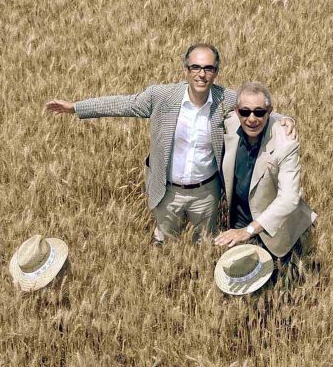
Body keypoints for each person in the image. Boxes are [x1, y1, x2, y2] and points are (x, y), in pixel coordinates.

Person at [44, 44, 296, 244]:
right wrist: (76, 107)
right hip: (167, 191)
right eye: (195, 67)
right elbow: (123, 104)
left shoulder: (225, 98)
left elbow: (255, 108)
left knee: (203, 244)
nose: (202, 74)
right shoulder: (161, 96)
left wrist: (285, 119)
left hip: (206, 193)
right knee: (165, 242)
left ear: (216, 72)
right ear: (185, 70)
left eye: (208, 68)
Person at [214, 81, 316, 268]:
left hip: (274, 230)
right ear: (237, 111)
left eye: (259, 112)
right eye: (245, 112)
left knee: (279, 286)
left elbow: (289, 197)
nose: (252, 119)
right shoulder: (230, 123)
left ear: (269, 112)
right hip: (238, 224)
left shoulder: (286, 143)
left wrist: (249, 230)